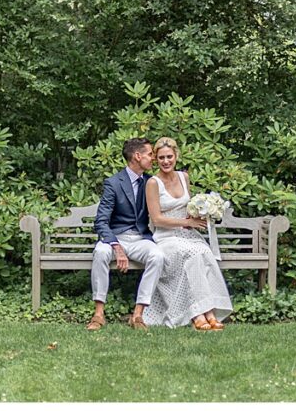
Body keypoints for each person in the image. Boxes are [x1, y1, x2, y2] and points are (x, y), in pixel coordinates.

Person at [143, 137, 232, 331]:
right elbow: (156, 219)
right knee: (189, 254)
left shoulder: (184, 177)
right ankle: (198, 314)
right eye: (161, 158)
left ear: (176, 156)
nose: (166, 161)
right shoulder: (152, 183)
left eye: (169, 157)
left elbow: (188, 207)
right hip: (165, 236)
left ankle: (209, 312)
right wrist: (187, 222)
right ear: (156, 160)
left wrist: (202, 212)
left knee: (203, 252)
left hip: (187, 234)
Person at [87, 138, 166, 331]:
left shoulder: (151, 182)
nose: (153, 159)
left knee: (157, 256)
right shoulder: (114, 183)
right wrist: (116, 246)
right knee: (100, 253)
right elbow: (101, 221)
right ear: (137, 156)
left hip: (140, 238)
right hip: (116, 237)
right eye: (149, 154)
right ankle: (98, 314)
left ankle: (138, 314)